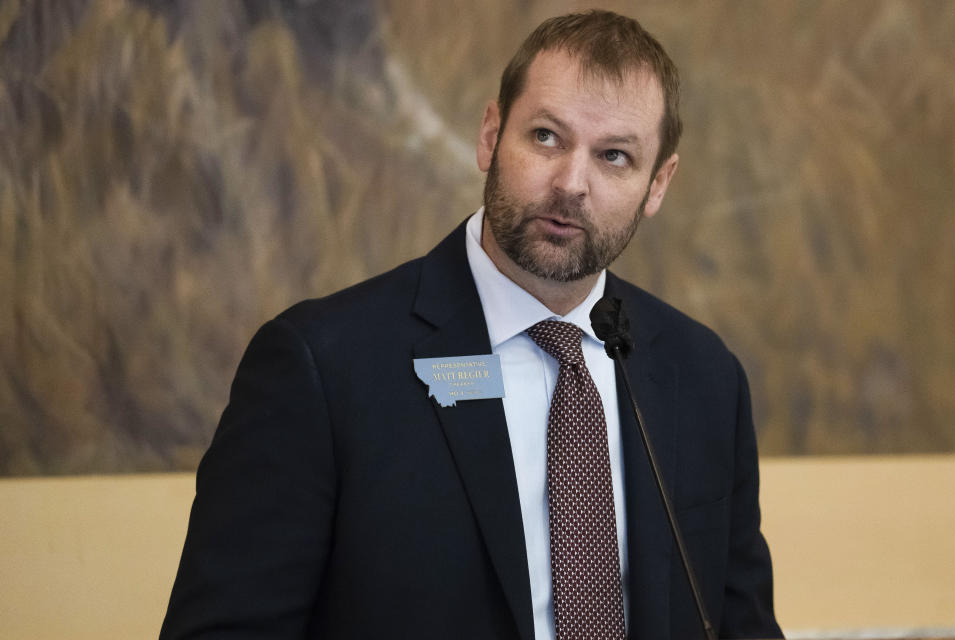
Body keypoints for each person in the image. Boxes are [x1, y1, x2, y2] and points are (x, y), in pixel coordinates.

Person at [161, 10, 782, 640]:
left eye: (615, 156)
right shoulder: (321, 366)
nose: (571, 183)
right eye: (546, 137)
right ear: (490, 135)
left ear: (657, 184)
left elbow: (740, 625)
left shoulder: (703, 376)